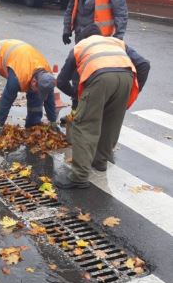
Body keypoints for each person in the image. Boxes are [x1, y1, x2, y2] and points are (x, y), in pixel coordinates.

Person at [56, 23, 150, 189]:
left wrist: (78, 96)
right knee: (110, 123)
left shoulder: (80, 47)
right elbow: (144, 64)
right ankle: (100, 162)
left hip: (100, 78)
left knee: (84, 125)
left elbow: (62, 81)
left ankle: (79, 176)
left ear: (84, 38)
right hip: (127, 77)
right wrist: (133, 91)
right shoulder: (116, 42)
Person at [0, 39, 59, 146]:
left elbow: (49, 99)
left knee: (35, 94)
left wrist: (53, 121)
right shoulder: (18, 77)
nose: (39, 92)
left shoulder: (47, 77)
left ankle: (33, 125)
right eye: (38, 88)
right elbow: (6, 100)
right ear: (34, 81)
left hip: (20, 57)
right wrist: (0, 125)